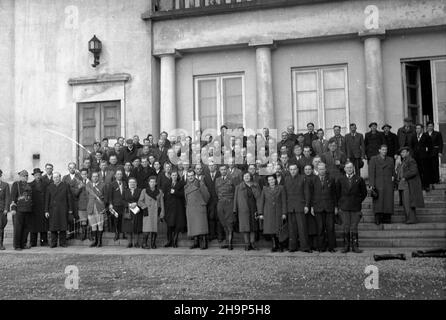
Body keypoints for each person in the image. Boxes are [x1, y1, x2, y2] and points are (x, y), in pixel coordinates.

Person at [336, 162, 367, 253]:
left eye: (351, 167)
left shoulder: (359, 179)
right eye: (347, 168)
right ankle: (346, 246)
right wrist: (340, 203)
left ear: (353, 168)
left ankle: (355, 246)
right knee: (346, 226)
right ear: (344, 169)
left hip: (355, 207)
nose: (349, 169)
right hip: (344, 206)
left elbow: (364, 193)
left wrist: (358, 201)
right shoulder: (340, 179)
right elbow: (337, 193)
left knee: (354, 226)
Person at [284, 164, 311, 253]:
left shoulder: (303, 178)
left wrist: (307, 205)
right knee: (292, 228)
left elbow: (307, 192)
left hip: (300, 206)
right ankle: (292, 247)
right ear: (289, 170)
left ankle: (305, 247)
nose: (293, 171)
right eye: (291, 169)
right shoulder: (286, 179)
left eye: (294, 169)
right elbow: (285, 194)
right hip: (290, 206)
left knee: (302, 228)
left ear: (298, 170)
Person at [311, 163, 337, 253]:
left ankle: (331, 247)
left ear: (325, 169)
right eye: (319, 169)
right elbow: (311, 194)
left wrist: (336, 207)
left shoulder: (331, 179)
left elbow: (335, 194)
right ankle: (321, 247)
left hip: (329, 207)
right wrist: (311, 207)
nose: (321, 171)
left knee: (330, 228)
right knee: (320, 228)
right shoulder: (313, 179)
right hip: (318, 207)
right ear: (317, 170)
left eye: (323, 169)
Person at [258, 175, 287, 252]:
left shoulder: (281, 188)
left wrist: (284, 212)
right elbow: (262, 201)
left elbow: (284, 201)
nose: (271, 181)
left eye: (272, 179)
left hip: (278, 211)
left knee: (279, 228)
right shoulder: (265, 189)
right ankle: (274, 245)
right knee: (271, 229)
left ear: (275, 180)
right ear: (268, 181)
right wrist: (260, 213)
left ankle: (280, 245)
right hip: (268, 211)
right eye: (269, 180)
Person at [233, 172, 261, 251]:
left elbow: (259, 198)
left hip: (253, 208)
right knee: (245, 227)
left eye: (248, 176)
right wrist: (235, 210)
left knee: (253, 227)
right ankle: (247, 244)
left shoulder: (256, 185)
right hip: (243, 209)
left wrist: (260, 210)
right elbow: (235, 199)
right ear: (243, 177)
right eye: (245, 176)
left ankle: (252, 243)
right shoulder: (238, 187)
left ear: (251, 177)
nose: (247, 177)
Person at [44, 172, 73, 248]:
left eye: (57, 177)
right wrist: (46, 210)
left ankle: (62, 243)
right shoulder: (49, 186)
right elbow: (47, 199)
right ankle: (53, 243)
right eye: (54, 177)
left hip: (63, 209)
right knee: (53, 227)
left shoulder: (65, 186)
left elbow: (69, 198)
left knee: (63, 226)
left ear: (60, 177)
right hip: (53, 210)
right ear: (53, 178)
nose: (56, 179)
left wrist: (70, 209)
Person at [396, 147, 424, 224]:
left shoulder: (411, 160)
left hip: (408, 184)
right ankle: (408, 218)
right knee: (405, 203)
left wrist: (405, 176)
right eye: (401, 153)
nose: (402, 154)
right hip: (403, 184)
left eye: (404, 152)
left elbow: (414, 171)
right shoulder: (404, 161)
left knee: (408, 202)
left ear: (408, 153)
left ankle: (411, 219)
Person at [368, 145, 395, 225]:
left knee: (388, 201)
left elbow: (393, 172)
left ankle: (387, 218)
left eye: (386, 150)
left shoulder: (390, 159)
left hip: (388, 183)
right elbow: (371, 173)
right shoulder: (374, 159)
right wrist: (372, 184)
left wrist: (393, 180)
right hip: (378, 183)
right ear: (379, 150)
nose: (384, 151)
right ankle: (378, 218)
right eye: (383, 150)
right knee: (378, 202)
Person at [184, 170, 210, 250]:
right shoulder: (186, 186)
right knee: (193, 226)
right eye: (189, 176)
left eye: (192, 175)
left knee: (201, 226)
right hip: (190, 209)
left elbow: (206, 195)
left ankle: (204, 243)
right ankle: (196, 242)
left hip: (199, 207)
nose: (190, 177)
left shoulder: (200, 183)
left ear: (194, 175)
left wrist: (202, 203)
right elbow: (186, 198)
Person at [138, 176, 165, 249]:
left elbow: (161, 203)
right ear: (149, 183)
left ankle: (153, 244)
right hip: (148, 212)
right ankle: (144, 244)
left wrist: (162, 212)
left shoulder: (159, 191)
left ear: (156, 183)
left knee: (154, 229)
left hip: (156, 212)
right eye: (151, 182)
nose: (152, 183)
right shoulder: (144, 191)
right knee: (146, 229)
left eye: (154, 182)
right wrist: (145, 207)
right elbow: (140, 201)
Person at [161, 170, 186, 248]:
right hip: (169, 207)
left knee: (177, 224)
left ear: (177, 176)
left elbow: (183, 194)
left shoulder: (181, 183)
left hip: (178, 207)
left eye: (175, 175)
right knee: (169, 224)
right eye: (173, 175)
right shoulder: (166, 184)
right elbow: (163, 196)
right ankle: (169, 241)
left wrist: (175, 192)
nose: (174, 176)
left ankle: (175, 241)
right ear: (170, 176)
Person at [215, 165, 237, 250]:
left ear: (227, 170)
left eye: (224, 169)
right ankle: (227, 241)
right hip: (221, 203)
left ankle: (230, 243)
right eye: (221, 169)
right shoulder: (217, 180)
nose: (223, 171)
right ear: (219, 171)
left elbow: (235, 191)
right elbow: (216, 191)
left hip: (229, 203)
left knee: (230, 222)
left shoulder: (232, 179)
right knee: (223, 222)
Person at [10, 170, 33, 250]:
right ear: (20, 177)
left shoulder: (29, 185)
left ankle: (23, 244)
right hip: (19, 210)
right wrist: (13, 208)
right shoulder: (16, 184)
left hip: (28, 209)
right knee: (18, 228)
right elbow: (13, 197)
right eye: (24, 176)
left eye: (27, 176)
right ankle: (17, 246)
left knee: (26, 228)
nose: (25, 177)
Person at [203, 161, 223, 243]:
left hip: (218, 199)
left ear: (216, 166)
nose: (211, 167)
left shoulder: (220, 175)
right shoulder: (205, 176)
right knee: (210, 218)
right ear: (208, 167)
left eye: (213, 166)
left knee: (219, 218)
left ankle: (220, 236)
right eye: (210, 166)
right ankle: (212, 235)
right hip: (210, 201)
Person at [62, 162, 82, 240]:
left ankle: (77, 233)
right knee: (69, 217)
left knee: (77, 216)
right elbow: (63, 189)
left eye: (73, 167)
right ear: (68, 168)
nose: (71, 169)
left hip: (76, 200)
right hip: (68, 201)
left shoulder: (79, 177)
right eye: (70, 168)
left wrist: (72, 190)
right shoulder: (65, 178)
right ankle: (70, 233)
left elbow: (80, 188)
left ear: (75, 168)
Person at [29, 168, 49, 247]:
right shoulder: (30, 185)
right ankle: (33, 242)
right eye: (36, 175)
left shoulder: (45, 184)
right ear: (34, 176)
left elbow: (47, 196)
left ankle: (43, 241)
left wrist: (46, 209)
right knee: (33, 227)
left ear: (41, 175)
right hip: (34, 209)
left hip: (43, 208)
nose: (37, 176)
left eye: (39, 175)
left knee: (43, 227)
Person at [86, 171, 106, 247]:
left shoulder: (103, 185)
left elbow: (105, 196)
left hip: (99, 207)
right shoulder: (88, 185)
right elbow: (87, 196)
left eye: (96, 176)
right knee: (93, 225)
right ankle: (95, 241)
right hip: (91, 207)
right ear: (91, 177)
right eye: (93, 176)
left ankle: (99, 242)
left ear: (99, 177)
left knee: (100, 224)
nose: (95, 178)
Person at [122, 177, 142, 248]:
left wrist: (136, 203)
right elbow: (123, 200)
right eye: (130, 182)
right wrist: (129, 204)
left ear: (136, 183)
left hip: (137, 211)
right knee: (128, 227)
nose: (132, 183)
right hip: (128, 211)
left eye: (133, 182)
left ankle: (136, 243)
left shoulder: (140, 191)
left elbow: (142, 199)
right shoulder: (125, 191)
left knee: (136, 227)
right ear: (128, 183)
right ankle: (129, 243)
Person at [107, 170, 127, 241]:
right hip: (115, 205)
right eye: (118, 174)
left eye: (120, 174)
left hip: (123, 205)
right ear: (115, 175)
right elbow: (110, 195)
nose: (119, 175)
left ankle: (123, 233)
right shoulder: (112, 184)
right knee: (116, 220)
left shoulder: (125, 183)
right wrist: (110, 204)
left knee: (123, 220)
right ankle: (117, 233)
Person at [413, 124, 433, 191]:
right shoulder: (413, 136)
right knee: (418, 171)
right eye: (416, 128)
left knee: (425, 172)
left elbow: (430, 147)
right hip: (416, 158)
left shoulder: (426, 136)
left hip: (424, 158)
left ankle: (426, 185)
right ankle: (419, 185)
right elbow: (411, 146)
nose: (417, 130)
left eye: (419, 128)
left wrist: (428, 155)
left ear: (422, 129)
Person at [302, 164, 318, 250]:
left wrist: (312, 206)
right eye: (306, 169)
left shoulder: (315, 178)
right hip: (304, 205)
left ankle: (314, 244)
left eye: (309, 169)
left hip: (313, 204)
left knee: (314, 226)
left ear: (312, 170)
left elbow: (316, 193)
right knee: (306, 226)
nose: (307, 171)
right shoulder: (302, 178)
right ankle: (308, 244)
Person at [426, 121, 443, 187]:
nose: (430, 127)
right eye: (429, 126)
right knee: (428, 167)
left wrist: (440, 152)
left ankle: (436, 179)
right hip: (427, 154)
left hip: (435, 152)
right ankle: (430, 180)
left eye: (431, 126)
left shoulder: (437, 133)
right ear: (427, 127)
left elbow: (440, 143)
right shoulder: (425, 134)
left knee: (435, 166)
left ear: (433, 126)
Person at [76, 168, 90, 241]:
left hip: (89, 205)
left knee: (90, 221)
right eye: (82, 174)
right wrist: (79, 187)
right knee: (83, 221)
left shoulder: (90, 182)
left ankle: (89, 235)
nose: (84, 175)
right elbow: (75, 194)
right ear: (81, 175)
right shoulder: (78, 182)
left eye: (85, 174)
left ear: (87, 174)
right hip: (81, 205)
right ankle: (83, 235)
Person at [0, 169, 11, 250]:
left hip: (2, 210)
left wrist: (6, 208)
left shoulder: (5, 185)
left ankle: (1, 244)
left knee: (1, 227)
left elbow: (8, 198)